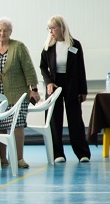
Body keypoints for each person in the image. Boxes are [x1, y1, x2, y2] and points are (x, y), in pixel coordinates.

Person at [0, 18, 40, 169]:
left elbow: (29, 69)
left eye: (5, 30)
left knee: (18, 125)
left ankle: (19, 158)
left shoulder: (18, 47)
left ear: (10, 32)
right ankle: (2, 158)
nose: (2, 33)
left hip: (18, 94)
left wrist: (34, 89)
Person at [39, 15, 91, 163]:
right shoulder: (48, 46)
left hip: (72, 84)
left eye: (53, 28)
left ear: (61, 28)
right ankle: (57, 154)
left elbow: (81, 68)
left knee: (75, 119)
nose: (51, 31)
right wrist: (48, 82)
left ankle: (82, 153)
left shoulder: (75, 44)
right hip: (54, 85)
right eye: (49, 29)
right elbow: (43, 67)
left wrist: (83, 90)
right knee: (54, 120)